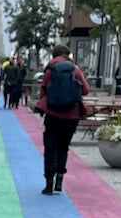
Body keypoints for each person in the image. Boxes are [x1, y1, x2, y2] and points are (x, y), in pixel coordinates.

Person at [34, 43, 90, 195]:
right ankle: (60, 180)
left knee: (50, 148)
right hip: (72, 116)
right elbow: (86, 90)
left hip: (53, 114)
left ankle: (49, 183)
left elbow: (43, 91)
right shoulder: (75, 69)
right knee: (63, 147)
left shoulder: (50, 70)